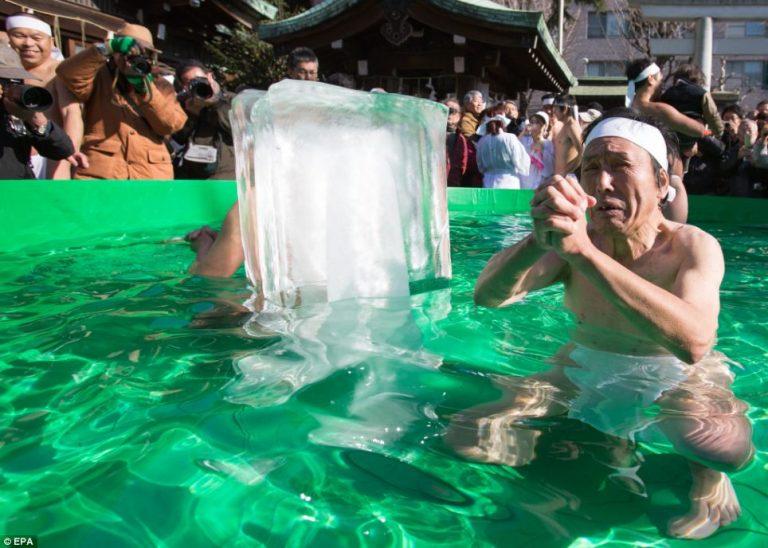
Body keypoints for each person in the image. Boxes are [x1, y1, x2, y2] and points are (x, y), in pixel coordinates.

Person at [451, 108, 753, 540]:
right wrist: (539, 237)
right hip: (583, 364)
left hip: (678, 375)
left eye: (619, 167)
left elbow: (694, 342)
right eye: (590, 168)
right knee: (468, 435)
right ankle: (578, 455)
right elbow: (487, 297)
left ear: (662, 183)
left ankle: (706, 477)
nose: (602, 182)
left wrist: (584, 257)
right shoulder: (576, 239)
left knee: (724, 450)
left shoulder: (693, 246)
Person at [186, 48, 320, 276]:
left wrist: (204, 247)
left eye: (312, 73)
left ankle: (205, 241)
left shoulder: (256, 208)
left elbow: (207, 283)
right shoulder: (335, 205)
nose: (307, 79)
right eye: (302, 72)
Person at [56, 24, 187, 179]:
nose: (132, 57)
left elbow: (170, 124)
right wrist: (105, 48)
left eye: (143, 53)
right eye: (127, 52)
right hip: (102, 173)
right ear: (115, 53)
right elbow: (68, 73)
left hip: (150, 174)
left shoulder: (160, 85)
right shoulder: (98, 76)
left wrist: (144, 88)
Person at [5, 12, 85, 178]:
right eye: (19, 35)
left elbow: (71, 113)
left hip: (49, 155)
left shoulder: (58, 71)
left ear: (51, 41)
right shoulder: (6, 71)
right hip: (10, 154)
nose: (28, 43)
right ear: (8, 38)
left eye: (37, 37)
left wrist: (66, 161)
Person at [0, 43, 76, 178]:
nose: (7, 88)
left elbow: (64, 150)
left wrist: (36, 120)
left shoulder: (15, 112)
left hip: (19, 193)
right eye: (3, 81)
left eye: (15, 81)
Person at [171, 59, 235, 180]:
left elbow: (237, 127)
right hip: (195, 176)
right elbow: (178, 137)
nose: (196, 84)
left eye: (199, 79)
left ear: (209, 76)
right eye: (189, 82)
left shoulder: (231, 100)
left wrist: (215, 104)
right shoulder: (184, 104)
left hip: (227, 176)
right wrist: (193, 115)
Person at [626, 59, 711, 148]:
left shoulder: (629, 108)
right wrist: (700, 118)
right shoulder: (659, 110)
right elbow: (699, 131)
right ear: (651, 79)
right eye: (660, 80)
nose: (662, 85)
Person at [659, 63, 724, 152]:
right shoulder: (701, 93)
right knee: (720, 149)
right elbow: (713, 117)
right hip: (691, 140)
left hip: (669, 141)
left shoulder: (667, 94)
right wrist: (718, 132)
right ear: (698, 79)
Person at [475, 114, 530, 189]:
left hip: (488, 182)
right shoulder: (510, 138)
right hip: (508, 182)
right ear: (503, 125)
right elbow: (521, 161)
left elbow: (480, 166)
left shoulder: (481, 141)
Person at [519, 110, 554, 189]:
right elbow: (513, 148)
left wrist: (542, 151)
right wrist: (523, 132)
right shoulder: (525, 140)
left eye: (537, 122)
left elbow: (550, 169)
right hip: (524, 183)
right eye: (532, 122)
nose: (534, 125)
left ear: (545, 126)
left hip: (539, 185)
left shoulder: (548, 144)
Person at [551, 94, 583, 175]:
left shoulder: (572, 126)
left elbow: (583, 152)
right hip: (559, 176)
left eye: (555, 107)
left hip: (568, 178)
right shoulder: (564, 125)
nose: (553, 111)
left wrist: (570, 170)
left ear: (564, 108)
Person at [443, 97, 469, 187]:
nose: (448, 114)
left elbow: (463, 165)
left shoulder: (461, 138)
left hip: (453, 182)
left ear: (459, 116)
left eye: (452, 111)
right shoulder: (430, 133)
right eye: (445, 110)